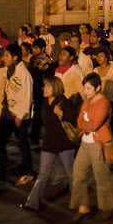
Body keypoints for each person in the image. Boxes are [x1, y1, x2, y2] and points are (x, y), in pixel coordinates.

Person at [22, 78, 77, 212]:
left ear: (55, 88)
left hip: (64, 143)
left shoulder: (65, 102)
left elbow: (74, 119)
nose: (44, 89)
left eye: (48, 86)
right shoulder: (44, 103)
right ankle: (32, 203)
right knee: (42, 174)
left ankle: (77, 200)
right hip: (49, 142)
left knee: (72, 174)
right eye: (44, 86)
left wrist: (61, 114)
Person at [71, 73, 113, 221]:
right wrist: (86, 125)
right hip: (85, 142)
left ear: (97, 88)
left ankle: (106, 207)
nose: (86, 91)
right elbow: (79, 121)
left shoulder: (103, 103)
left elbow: (95, 124)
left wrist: (86, 124)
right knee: (78, 173)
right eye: (85, 88)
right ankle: (83, 205)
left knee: (101, 176)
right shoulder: (87, 100)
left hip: (99, 143)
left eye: (89, 88)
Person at [0, 44, 34, 188]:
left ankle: (28, 172)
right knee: (0, 143)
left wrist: (20, 115)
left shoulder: (24, 74)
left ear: (15, 58)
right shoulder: (6, 71)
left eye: (7, 56)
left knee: (22, 144)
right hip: (6, 114)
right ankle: (0, 176)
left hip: (19, 116)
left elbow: (27, 95)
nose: (4, 58)